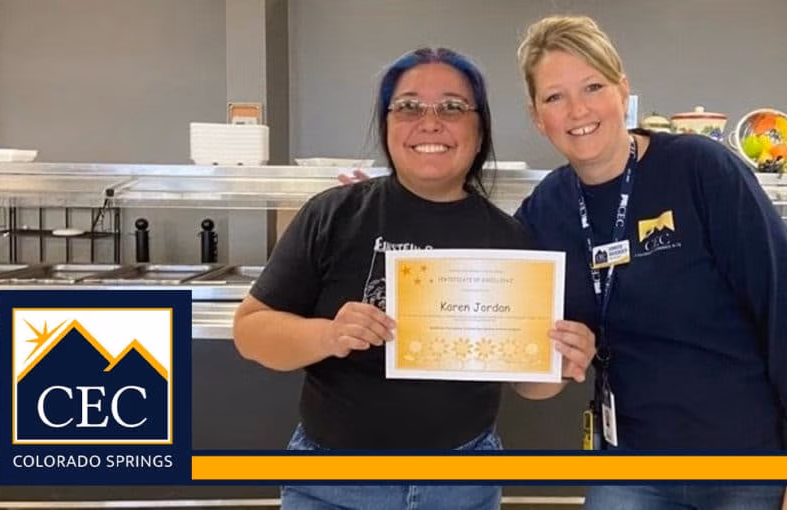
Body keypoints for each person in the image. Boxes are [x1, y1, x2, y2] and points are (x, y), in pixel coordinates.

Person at [232, 46, 596, 510]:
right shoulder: (334, 215)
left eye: (452, 107)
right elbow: (250, 331)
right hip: (331, 484)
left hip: (461, 486)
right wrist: (329, 335)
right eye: (408, 107)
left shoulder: (509, 240)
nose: (430, 122)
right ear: (387, 125)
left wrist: (560, 363)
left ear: (479, 130)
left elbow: (531, 385)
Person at [514, 15, 787, 510]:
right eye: (554, 97)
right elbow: (532, 371)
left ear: (623, 90)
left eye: (593, 86)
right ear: (538, 116)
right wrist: (550, 363)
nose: (578, 109)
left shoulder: (700, 170)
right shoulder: (545, 211)